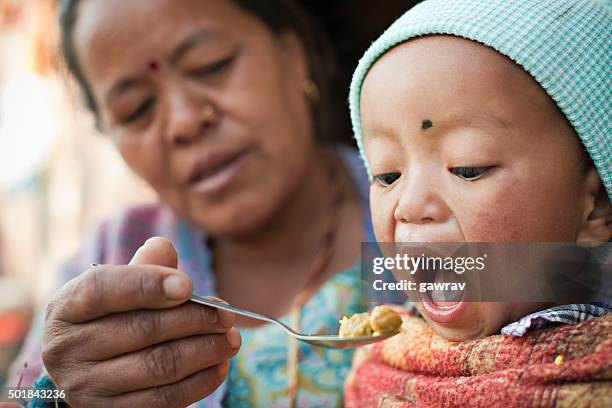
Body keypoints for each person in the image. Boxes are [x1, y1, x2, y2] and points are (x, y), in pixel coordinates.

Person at [7, 0, 377, 406]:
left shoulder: (419, 212)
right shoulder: (104, 265)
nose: (184, 121)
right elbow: (19, 392)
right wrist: (57, 396)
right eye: (136, 110)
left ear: (293, 54)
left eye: (211, 65)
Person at [344, 0, 611, 406]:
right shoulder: (381, 361)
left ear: (595, 206)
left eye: (468, 168)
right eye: (387, 176)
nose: (410, 206)